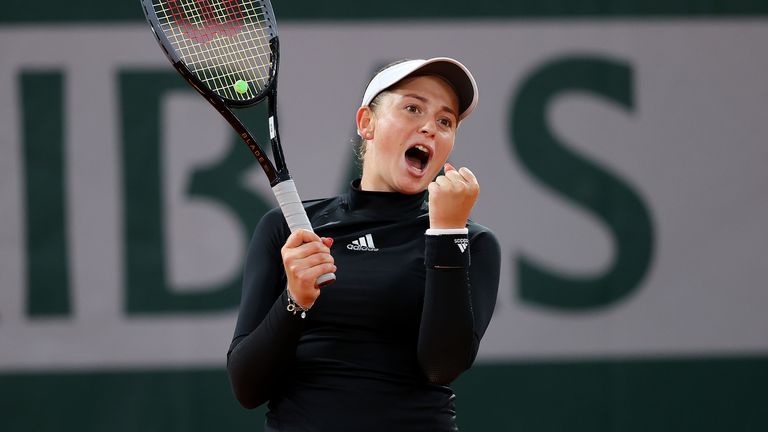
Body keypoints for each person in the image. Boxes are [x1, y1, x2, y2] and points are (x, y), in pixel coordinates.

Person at [227, 57, 501, 431]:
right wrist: (295, 299)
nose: (430, 127)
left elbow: (441, 366)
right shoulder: (288, 229)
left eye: (445, 121)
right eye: (412, 108)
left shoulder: (473, 242)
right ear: (366, 123)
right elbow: (247, 387)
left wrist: (446, 235)